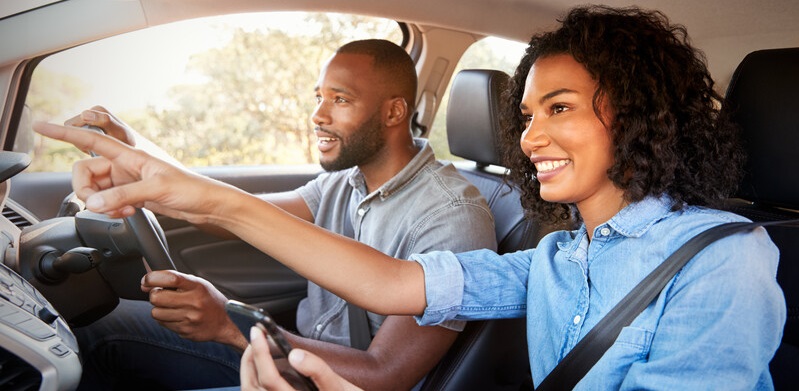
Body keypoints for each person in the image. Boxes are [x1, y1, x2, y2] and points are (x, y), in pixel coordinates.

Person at [33, 5, 787, 390]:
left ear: (637, 110)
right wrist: (188, 189)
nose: (527, 139)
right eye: (525, 115)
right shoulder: (555, 257)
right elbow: (393, 282)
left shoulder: (723, 259)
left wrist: (234, 326)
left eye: (558, 107)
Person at [62, 39, 497, 390]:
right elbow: (228, 213)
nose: (318, 115)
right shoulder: (346, 181)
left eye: (340, 100)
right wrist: (136, 156)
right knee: (97, 330)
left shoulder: (453, 217)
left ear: (393, 112)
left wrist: (230, 325)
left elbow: (385, 375)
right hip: (290, 359)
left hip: (331, 381)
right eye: (318, 97)